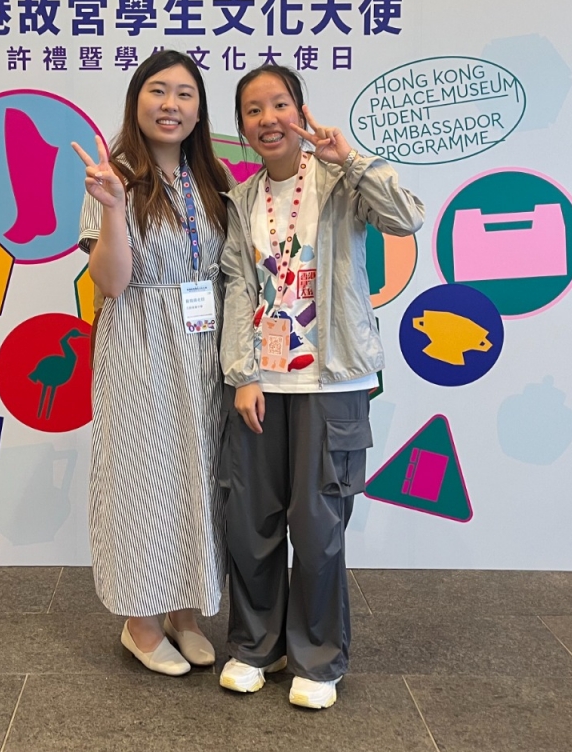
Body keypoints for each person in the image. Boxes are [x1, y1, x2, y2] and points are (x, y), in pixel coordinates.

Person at [217, 65, 425, 709]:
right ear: (242, 126)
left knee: (317, 525)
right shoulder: (242, 200)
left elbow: (407, 218)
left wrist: (352, 160)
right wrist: (242, 374)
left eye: (280, 104)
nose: (268, 119)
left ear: (302, 111)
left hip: (332, 382)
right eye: (253, 110)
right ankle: (257, 646)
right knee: (251, 521)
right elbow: (238, 288)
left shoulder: (339, 180)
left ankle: (317, 658)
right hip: (262, 384)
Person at [73, 49, 234, 676]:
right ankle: (139, 622)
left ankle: (184, 613)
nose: (171, 104)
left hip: (202, 349)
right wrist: (114, 207)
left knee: (199, 479)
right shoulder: (112, 176)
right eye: (158, 91)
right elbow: (112, 283)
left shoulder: (213, 178)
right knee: (140, 483)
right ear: (136, 100)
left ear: (199, 109)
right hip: (139, 348)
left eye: (185, 93)